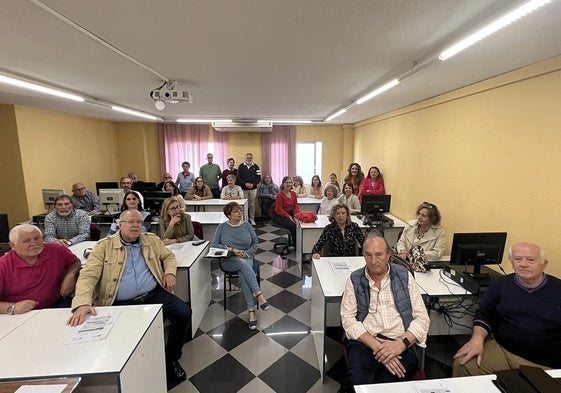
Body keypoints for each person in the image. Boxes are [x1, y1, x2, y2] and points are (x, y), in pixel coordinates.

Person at [67, 209, 191, 385]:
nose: (135, 226)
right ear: (120, 224)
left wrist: (170, 273)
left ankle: (171, 358)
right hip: (119, 300)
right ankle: (128, 367)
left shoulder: (151, 240)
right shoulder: (104, 245)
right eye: (130, 222)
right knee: (125, 334)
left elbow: (169, 256)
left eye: (138, 223)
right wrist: (82, 303)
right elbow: (89, 276)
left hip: (153, 294)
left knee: (183, 312)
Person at [453, 242, 561, 376]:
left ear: (544, 263)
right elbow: (484, 314)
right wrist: (477, 340)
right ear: (512, 262)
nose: (523, 264)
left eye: (530, 260)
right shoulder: (501, 284)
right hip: (504, 350)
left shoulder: (558, 290)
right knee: (463, 364)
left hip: (543, 362)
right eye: (518, 259)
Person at [341, 236, 430, 387]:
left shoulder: (404, 275)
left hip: (400, 340)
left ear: (389, 255)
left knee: (385, 385)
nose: (373, 261)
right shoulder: (355, 279)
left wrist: (400, 345)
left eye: (379, 254)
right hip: (366, 341)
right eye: (368, 255)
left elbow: (422, 318)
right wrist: (378, 347)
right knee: (359, 383)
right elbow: (348, 320)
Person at [211, 202, 270, 330]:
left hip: (246, 257)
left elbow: (255, 243)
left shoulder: (247, 225)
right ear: (228, 215)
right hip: (229, 260)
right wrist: (233, 250)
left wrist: (247, 253)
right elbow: (214, 245)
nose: (240, 213)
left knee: (243, 270)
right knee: (243, 266)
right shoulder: (222, 227)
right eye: (236, 211)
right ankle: (258, 295)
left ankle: (251, 311)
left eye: (240, 211)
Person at [0, 224, 81, 314]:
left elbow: (75, 262)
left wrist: (70, 275)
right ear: (12, 245)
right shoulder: (3, 266)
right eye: (26, 241)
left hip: (59, 304)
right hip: (20, 314)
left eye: (37, 238)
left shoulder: (56, 250)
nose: (34, 244)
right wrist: (12, 308)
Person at [237, 153, 261, 226]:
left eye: (250, 158)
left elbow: (259, 178)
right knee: (244, 204)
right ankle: (245, 219)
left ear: (252, 158)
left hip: (253, 189)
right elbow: (238, 178)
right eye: (247, 158)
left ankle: (252, 219)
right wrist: (245, 184)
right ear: (245, 158)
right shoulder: (241, 166)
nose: (249, 159)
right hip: (243, 189)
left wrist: (253, 184)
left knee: (252, 205)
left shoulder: (256, 166)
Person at [274, 176, 300, 242]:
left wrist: (295, 215)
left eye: (290, 182)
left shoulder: (293, 194)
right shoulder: (280, 195)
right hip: (281, 215)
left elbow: (295, 206)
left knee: (300, 223)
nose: (288, 184)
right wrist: (288, 216)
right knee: (293, 226)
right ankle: (296, 244)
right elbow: (278, 209)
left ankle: (301, 244)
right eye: (286, 182)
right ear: (283, 184)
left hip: (291, 213)